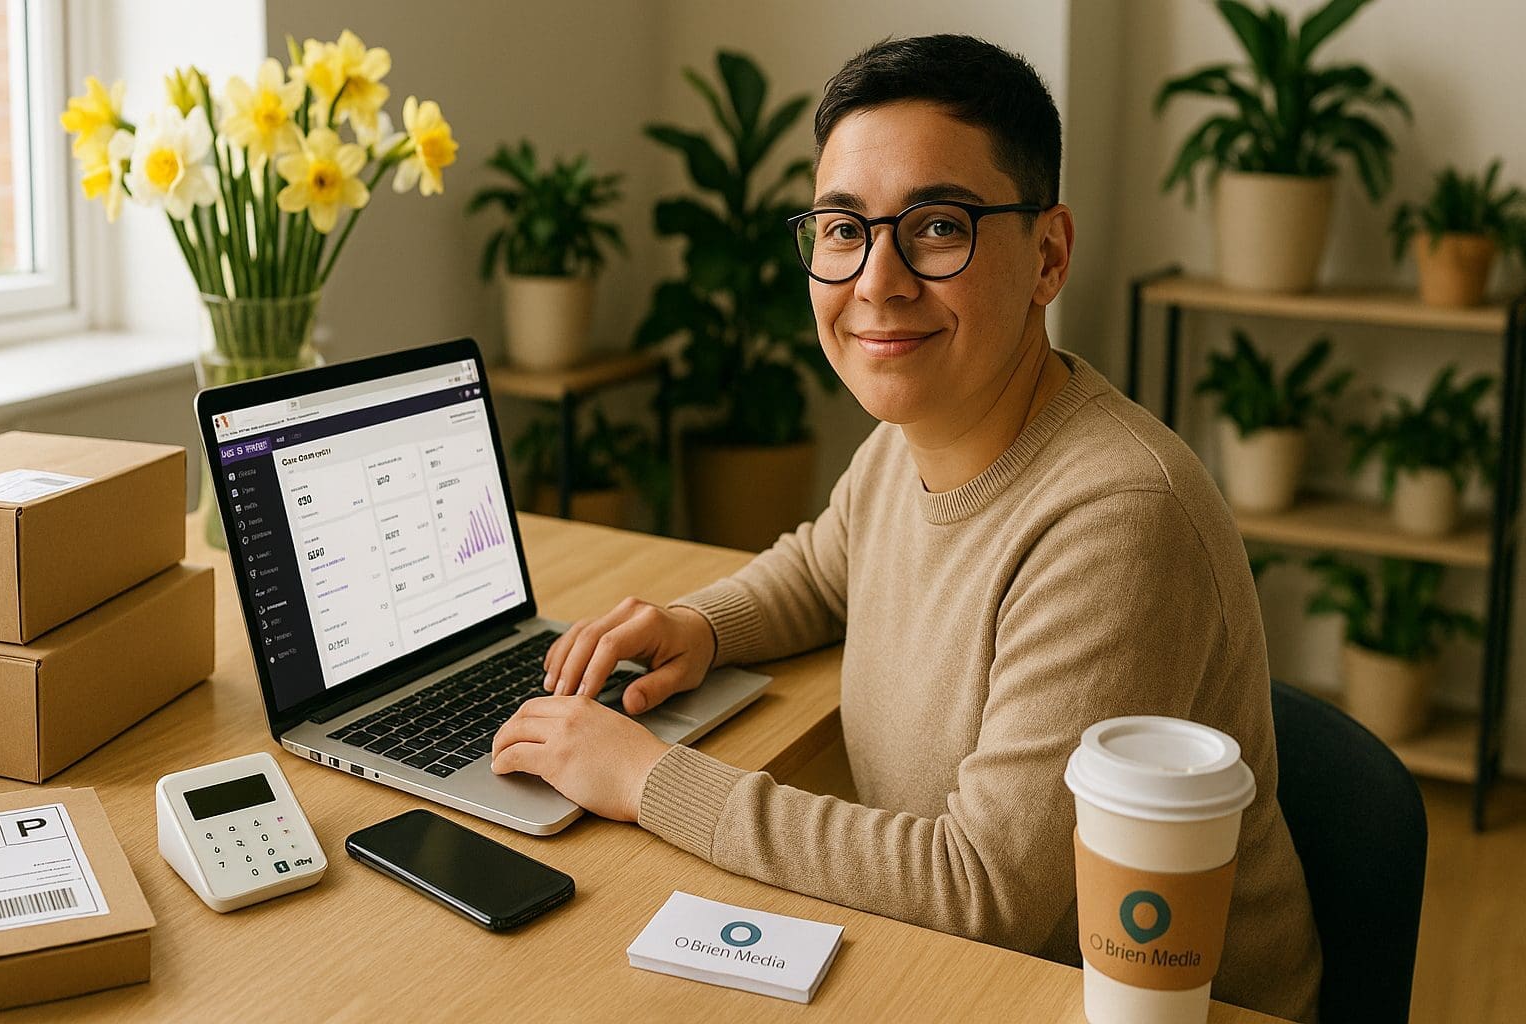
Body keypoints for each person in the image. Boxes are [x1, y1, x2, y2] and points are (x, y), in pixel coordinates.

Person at [488, 33, 1321, 1022]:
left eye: (936, 226)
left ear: (1048, 253)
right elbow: (823, 570)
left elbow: (985, 885)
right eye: (843, 230)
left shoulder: (1118, 518)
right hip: (964, 970)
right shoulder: (914, 435)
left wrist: (653, 779)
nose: (876, 281)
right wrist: (698, 624)